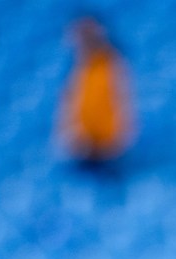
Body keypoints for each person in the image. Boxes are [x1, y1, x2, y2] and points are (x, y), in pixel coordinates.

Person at [57, 15, 135, 168]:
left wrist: (110, 143)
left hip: (110, 150)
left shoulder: (112, 66)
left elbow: (124, 110)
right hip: (83, 149)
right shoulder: (77, 70)